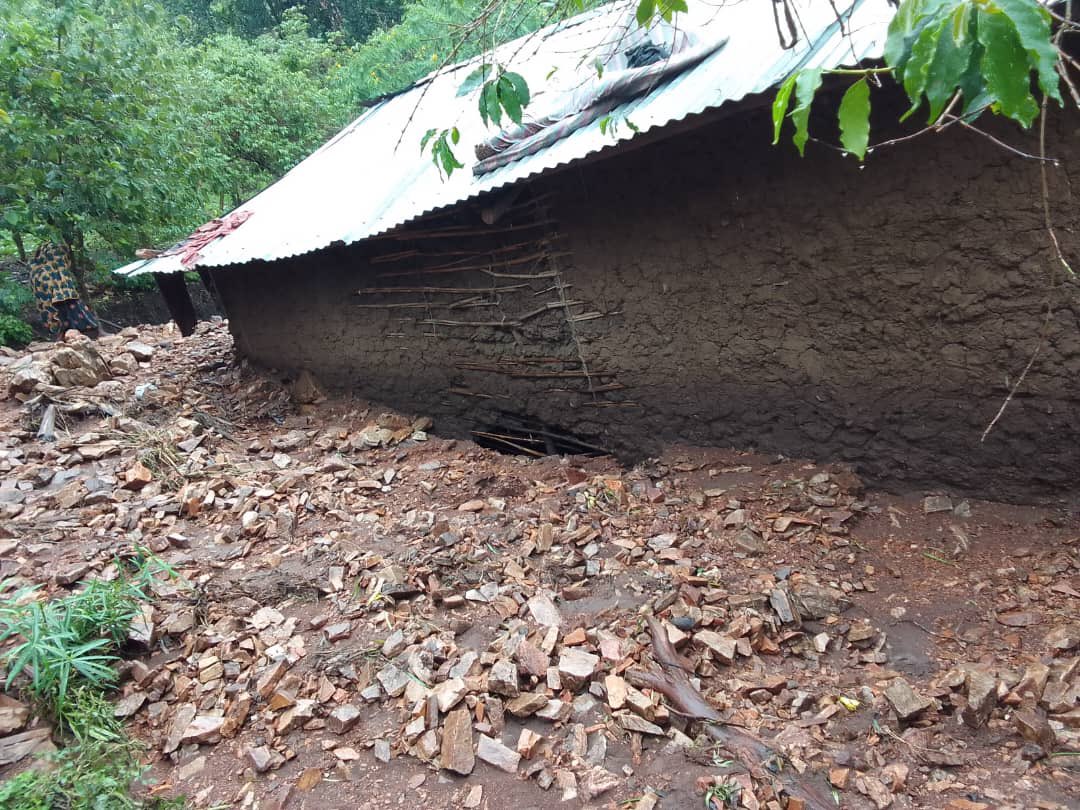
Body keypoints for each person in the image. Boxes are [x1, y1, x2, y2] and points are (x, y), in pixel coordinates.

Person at [28, 242, 100, 338]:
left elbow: (68, 286)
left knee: (76, 314)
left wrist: (64, 294)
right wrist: (53, 296)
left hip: (68, 299)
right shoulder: (39, 271)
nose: (59, 257)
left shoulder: (61, 267)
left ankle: (91, 332)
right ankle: (60, 337)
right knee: (57, 318)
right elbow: (41, 292)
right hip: (51, 303)